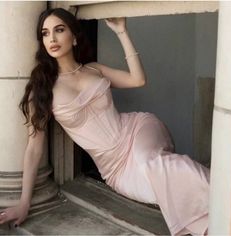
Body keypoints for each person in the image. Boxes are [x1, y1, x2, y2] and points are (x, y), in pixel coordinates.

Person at [0, 8, 210, 236]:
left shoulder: (94, 69)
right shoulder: (42, 90)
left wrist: (122, 32)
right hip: (114, 167)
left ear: (74, 36)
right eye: (45, 33)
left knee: (156, 165)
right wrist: (24, 202)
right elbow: (33, 149)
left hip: (136, 130)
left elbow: (138, 79)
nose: (52, 38)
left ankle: (225, 209)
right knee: (163, 182)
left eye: (59, 30)